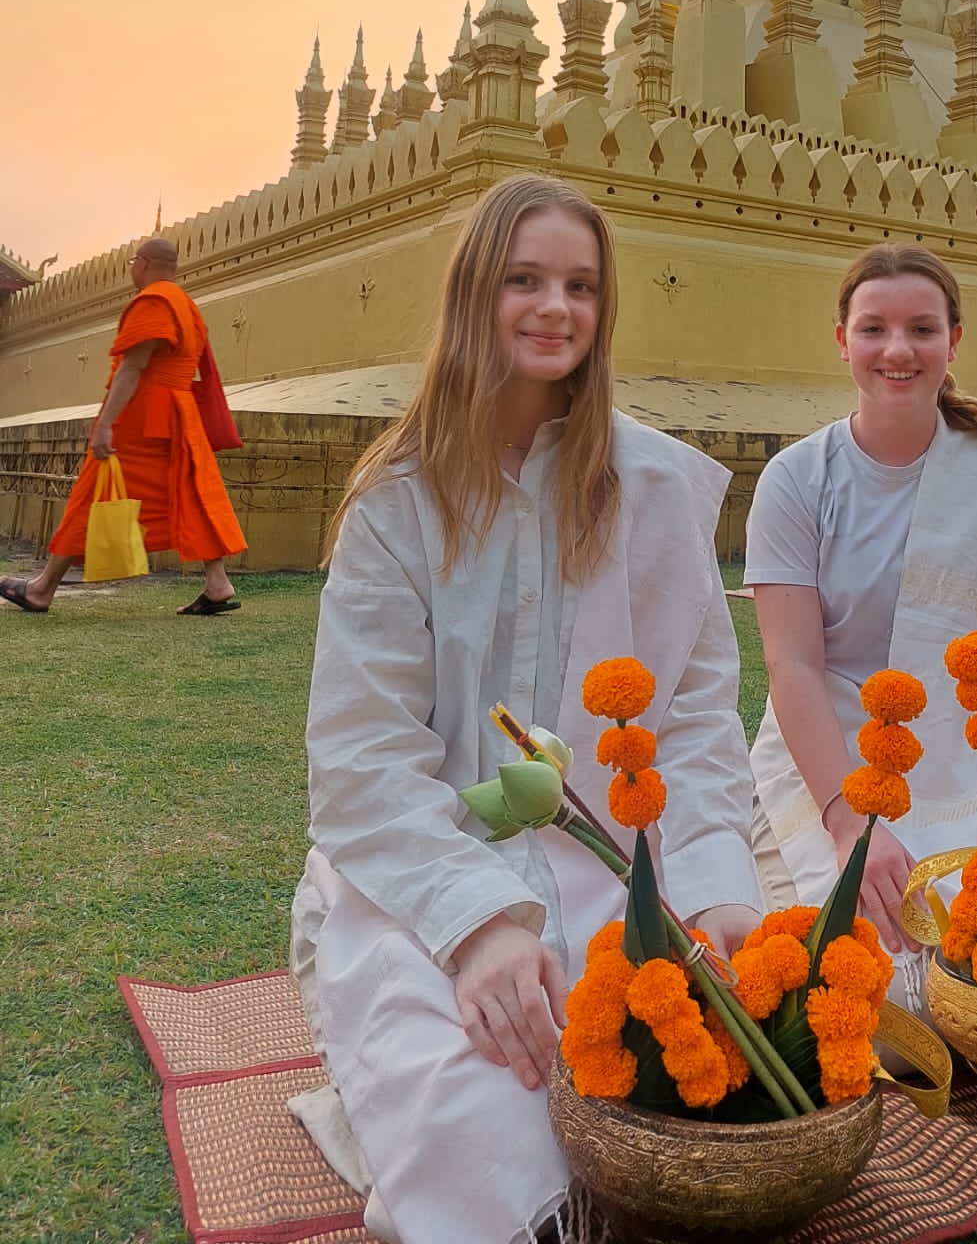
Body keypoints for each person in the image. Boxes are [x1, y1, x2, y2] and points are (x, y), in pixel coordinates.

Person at [293, 176, 760, 1244]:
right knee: (496, 1104)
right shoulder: (399, 502)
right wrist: (479, 927)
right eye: (526, 280)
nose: (556, 308)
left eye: (582, 285)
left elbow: (691, 719)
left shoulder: (653, 486)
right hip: (420, 876)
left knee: (704, 1075)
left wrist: (718, 885)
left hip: (616, 863)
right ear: (475, 294)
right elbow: (363, 760)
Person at [745, 244, 977, 964]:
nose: (897, 350)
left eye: (921, 329)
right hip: (825, 755)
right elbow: (791, 666)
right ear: (842, 340)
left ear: (953, 342)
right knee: (857, 973)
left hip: (962, 756)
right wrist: (850, 822)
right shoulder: (797, 481)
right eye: (874, 328)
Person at [1, 236, 245, 616]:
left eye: (132, 262)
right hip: (179, 417)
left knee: (96, 494)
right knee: (189, 493)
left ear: (143, 263)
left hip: (142, 418)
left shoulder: (153, 302)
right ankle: (217, 583)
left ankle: (41, 588)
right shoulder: (186, 306)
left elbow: (133, 367)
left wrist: (105, 425)